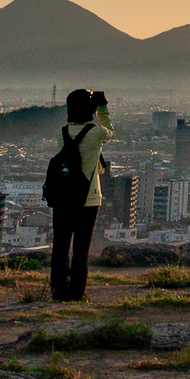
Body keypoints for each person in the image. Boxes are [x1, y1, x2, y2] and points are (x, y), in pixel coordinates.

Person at [51, 88, 113, 302]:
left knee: (60, 245)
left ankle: (58, 290)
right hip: (88, 198)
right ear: (90, 108)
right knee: (81, 248)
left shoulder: (62, 132)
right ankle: (77, 293)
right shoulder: (96, 133)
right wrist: (101, 109)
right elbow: (110, 131)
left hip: (63, 197)